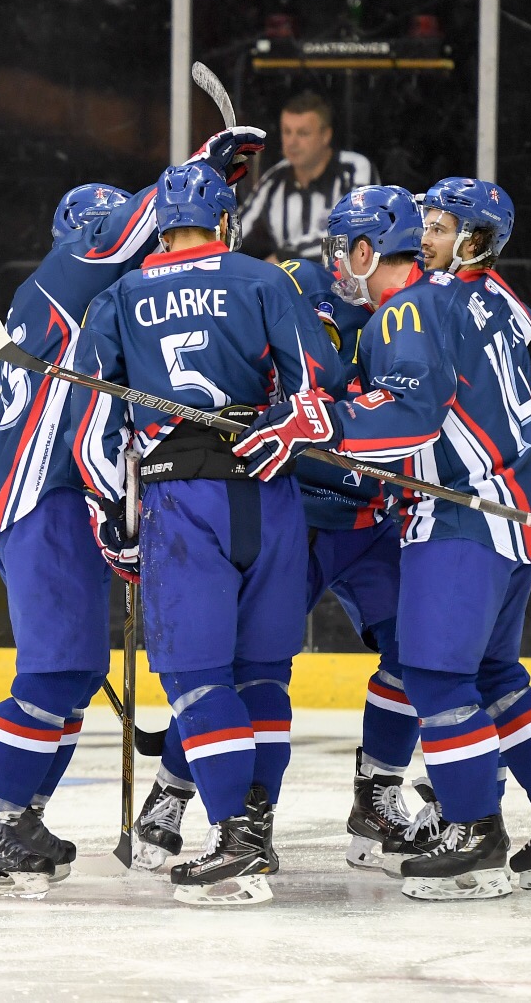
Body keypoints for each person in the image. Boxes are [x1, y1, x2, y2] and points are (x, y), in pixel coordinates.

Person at [235, 177, 531, 900]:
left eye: (344, 247)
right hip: (513, 517)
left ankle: (473, 835)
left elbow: (411, 415)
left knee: (437, 678)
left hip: (458, 523)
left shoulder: (408, 310)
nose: (337, 260)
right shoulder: (490, 304)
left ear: (367, 248)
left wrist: (324, 423)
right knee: (496, 676)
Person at [0, 130, 267, 900]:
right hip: (46, 499)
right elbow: (137, 222)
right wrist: (201, 169)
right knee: (52, 672)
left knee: (76, 671)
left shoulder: (101, 310)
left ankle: (20, 813)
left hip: (64, 500)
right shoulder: (69, 274)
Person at [130, 186, 433, 874]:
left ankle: (378, 792)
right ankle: (175, 792)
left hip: (373, 520)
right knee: (234, 666)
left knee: (417, 656)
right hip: (292, 510)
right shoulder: (291, 285)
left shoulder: (415, 311)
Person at [71, 160, 340, 906]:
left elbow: (91, 430)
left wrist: (114, 522)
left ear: (158, 224)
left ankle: (234, 842)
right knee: (263, 674)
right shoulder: (264, 280)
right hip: (272, 494)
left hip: (183, 500)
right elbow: (318, 387)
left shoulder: (121, 296)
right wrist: (280, 429)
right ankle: (256, 826)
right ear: (224, 219)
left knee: (196, 678)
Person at [236, 92, 377, 264]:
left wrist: (286, 257)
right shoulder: (274, 180)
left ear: (326, 136)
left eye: (302, 133)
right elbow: (237, 232)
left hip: (344, 285)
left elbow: (355, 232)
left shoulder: (355, 169)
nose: (292, 142)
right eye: (287, 132)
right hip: (287, 285)